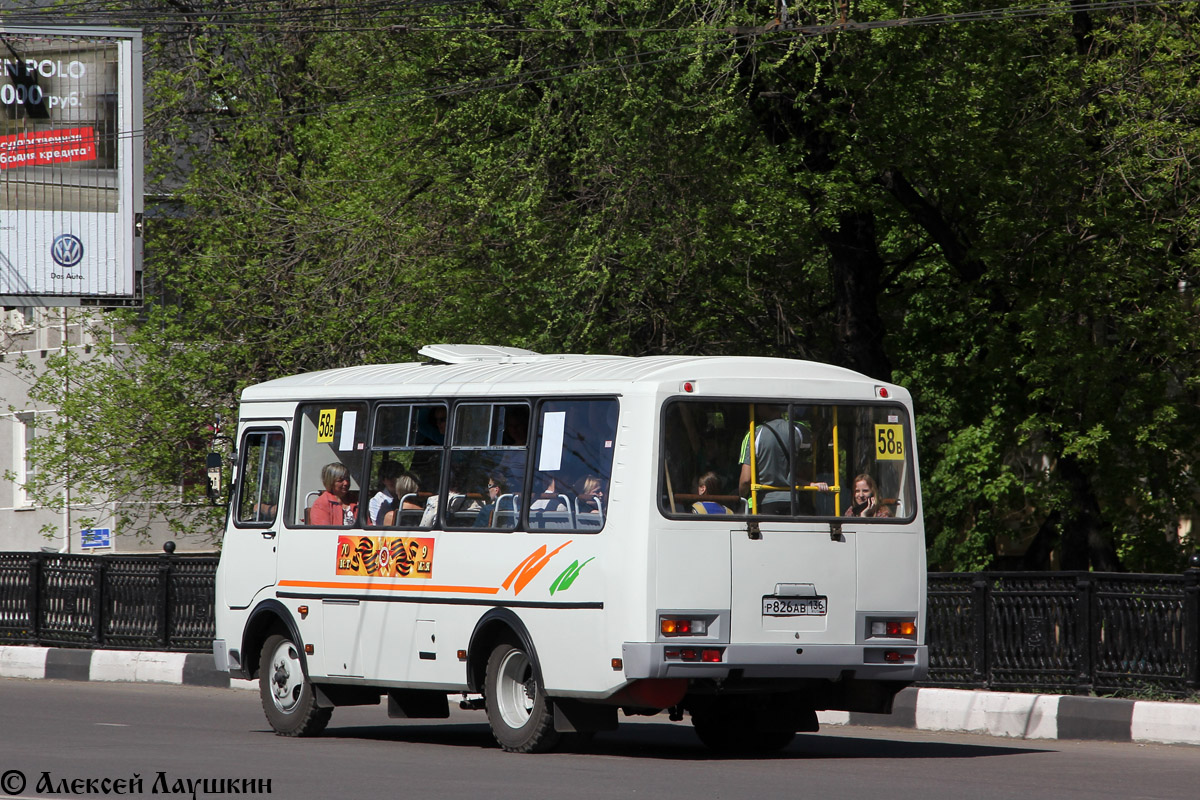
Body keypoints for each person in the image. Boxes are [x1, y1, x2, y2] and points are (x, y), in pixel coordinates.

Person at [738, 405, 826, 515]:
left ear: (762, 408)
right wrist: (817, 428)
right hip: (792, 501)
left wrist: (741, 496)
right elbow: (812, 440)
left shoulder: (754, 434)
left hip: (762, 502)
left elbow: (746, 480)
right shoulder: (797, 430)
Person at [368, 460, 403, 526]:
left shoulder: (406, 497)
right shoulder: (377, 500)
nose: (395, 481)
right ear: (383, 480)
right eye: (391, 477)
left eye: (398, 477)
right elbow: (378, 525)